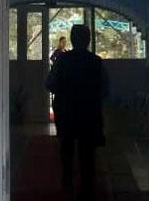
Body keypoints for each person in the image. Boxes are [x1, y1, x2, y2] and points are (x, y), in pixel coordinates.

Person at [45, 24, 108, 198]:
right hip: (89, 113)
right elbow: (105, 89)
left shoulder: (63, 60)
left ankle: (67, 183)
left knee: (67, 149)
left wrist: (64, 93)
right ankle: (87, 188)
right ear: (88, 40)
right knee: (87, 152)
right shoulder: (96, 61)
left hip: (67, 112)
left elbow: (50, 83)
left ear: (72, 40)